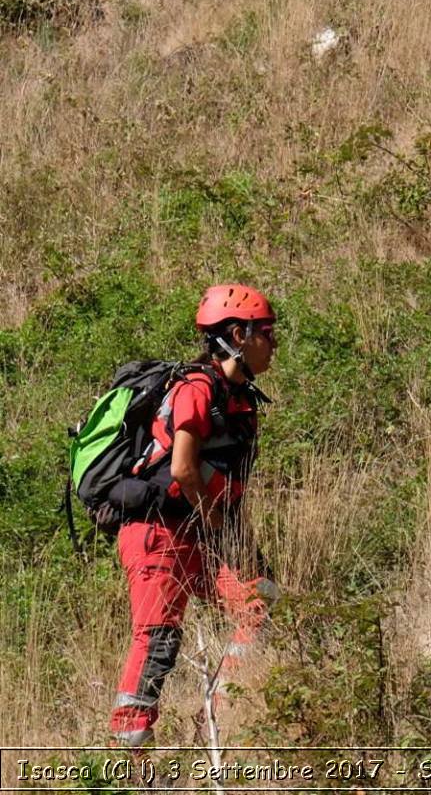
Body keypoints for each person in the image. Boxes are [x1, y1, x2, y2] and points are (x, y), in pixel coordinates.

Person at [110, 283, 279, 747]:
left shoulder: (241, 398)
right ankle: (125, 757)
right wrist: (219, 528)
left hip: (199, 533)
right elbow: (183, 468)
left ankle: (221, 713)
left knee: (259, 598)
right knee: (157, 643)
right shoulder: (196, 388)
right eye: (266, 332)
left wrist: (236, 542)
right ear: (238, 335)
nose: (274, 343)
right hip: (158, 533)